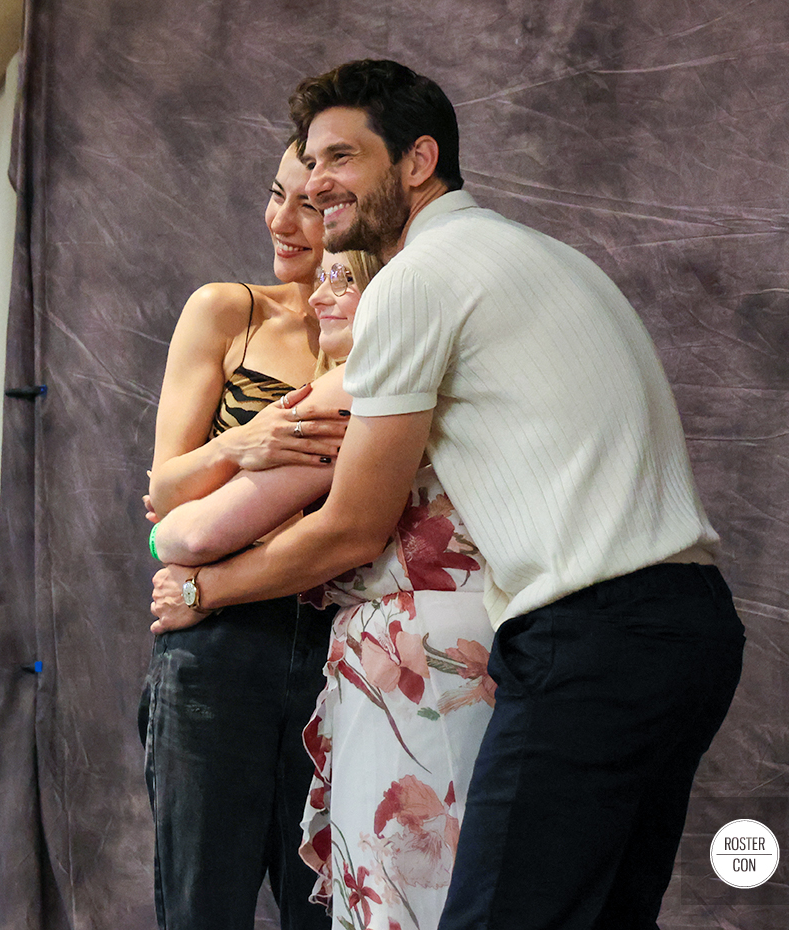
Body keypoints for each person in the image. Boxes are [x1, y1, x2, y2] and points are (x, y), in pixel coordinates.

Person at [151, 60, 744, 930]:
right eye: (310, 163)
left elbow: (351, 528)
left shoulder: (416, 281)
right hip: (692, 629)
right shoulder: (538, 253)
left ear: (419, 159)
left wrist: (207, 588)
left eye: (341, 159)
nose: (316, 186)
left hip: (588, 638)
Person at [151, 250, 497, 930]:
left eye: (344, 279)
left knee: (399, 895)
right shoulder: (445, 370)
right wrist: (232, 452)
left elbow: (183, 531)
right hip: (468, 657)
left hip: (411, 665)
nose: (317, 295)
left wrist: (192, 580)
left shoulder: (366, 382)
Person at [141, 144, 345, 930]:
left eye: (311, 207)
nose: (281, 222)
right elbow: (164, 495)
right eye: (276, 195)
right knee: (202, 909)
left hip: (341, 647)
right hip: (217, 645)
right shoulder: (231, 310)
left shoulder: (379, 332)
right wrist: (241, 443)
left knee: (326, 910)